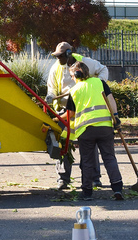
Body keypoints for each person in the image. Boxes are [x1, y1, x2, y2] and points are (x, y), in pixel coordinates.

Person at [46, 42, 108, 190]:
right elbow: (52, 88)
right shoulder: (56, 68)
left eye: (60, 56)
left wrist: (97, 85)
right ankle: (63, 178)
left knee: (89, 144)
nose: (58, 59)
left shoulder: (85, 63)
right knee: (63, 145)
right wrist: (50, 96)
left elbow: (103, 70)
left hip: (84, 110)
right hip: (65, 111)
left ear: (68, 54)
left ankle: (94, 178)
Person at [61, 61, 123, 201]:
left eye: (72, 75)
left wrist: (56, 117)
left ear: (77, 74)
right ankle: (117, 188)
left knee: (87, 160)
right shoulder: (100, 82)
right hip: (105, 127)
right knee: (109, 157)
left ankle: (87, 192)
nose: (72, 78)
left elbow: (70, 114)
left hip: (86, 130)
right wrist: (116, 117)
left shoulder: (75, 90)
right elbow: (111, 100)